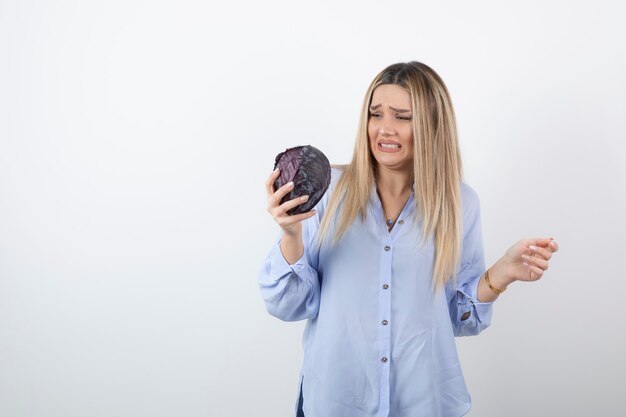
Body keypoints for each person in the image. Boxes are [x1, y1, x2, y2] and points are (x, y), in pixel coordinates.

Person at [259, 61, 559, 417]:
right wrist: (290, 233)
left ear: (432, 125)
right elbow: (288, 305)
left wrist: (501, 274)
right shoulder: (328, 194)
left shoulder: (460, 204)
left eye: (403, 117)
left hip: (423, 402)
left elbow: (457, 318)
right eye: (376, 114)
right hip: (337, 402)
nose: (385, 129)